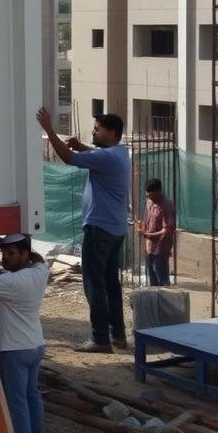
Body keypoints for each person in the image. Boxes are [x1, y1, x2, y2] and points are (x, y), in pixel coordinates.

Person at [36, 107, 130, 353]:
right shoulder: (120, 153)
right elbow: (97, 154)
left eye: (98, 130)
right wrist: (83, 147)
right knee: (110, 283)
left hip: (100, 228)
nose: (94, 133)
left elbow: (68, 158)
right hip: (115, 228)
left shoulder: (106, 158)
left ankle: (100, 339)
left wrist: (49, 129)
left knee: (93, 283)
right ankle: (118, 335)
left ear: (112, 133)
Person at [0, 233, 48, 433]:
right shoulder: (40, 270)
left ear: (25, 254)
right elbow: (39, 258)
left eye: (11, 254)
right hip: (36, 345)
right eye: (4, 253)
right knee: (32, 395)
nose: (5, 258)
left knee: (16, 402)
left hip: (14, 349)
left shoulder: (11, 281)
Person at [137, 178, 176, 287]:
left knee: (161, 276)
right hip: (150, 246)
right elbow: (147, 219)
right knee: (151, 277)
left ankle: (164, 295)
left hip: (161, 247)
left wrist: (147, 234)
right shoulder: (150, 202)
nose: (149, 198)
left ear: (159, 192)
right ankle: (154, 295)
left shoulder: (167, 206)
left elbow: (167, 230)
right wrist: (142, 227)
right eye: (147, 196)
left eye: (151, 196)